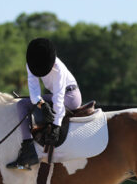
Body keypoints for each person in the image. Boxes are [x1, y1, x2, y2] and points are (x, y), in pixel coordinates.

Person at [7, 37, 82, 170]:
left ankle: (30, 153)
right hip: (55, 96)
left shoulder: (58, 69)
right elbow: (34, 91)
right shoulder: (32, 64)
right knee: (23, 104)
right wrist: (42, 104)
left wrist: (56, 124)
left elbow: (58, 98)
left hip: (70, 96)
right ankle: (28, 150)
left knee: (23, 105)